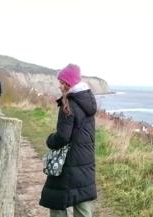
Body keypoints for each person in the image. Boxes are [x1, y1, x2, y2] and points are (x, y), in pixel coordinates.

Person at [39, 64, 97, 217]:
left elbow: (63, 137)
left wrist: (50, 140)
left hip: (68, 161)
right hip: (85, 159)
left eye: (62, 81)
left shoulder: (68, 104)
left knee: (57, 202)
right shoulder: (88, 103)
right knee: (82, 201)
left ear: (68, 83)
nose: (60, 85)